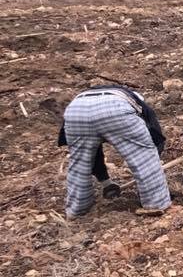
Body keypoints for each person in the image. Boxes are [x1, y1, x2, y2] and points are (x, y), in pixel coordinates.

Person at [58, 85, 170, 218]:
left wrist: (106, 182)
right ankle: (157, 204)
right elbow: (156, 137)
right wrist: (153, 160)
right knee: (144, 158)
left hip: (76, 110)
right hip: (115, 108)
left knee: (80, 163)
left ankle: (76, 210)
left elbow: (94, 155)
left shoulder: (95, 95)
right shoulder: (139, 104)